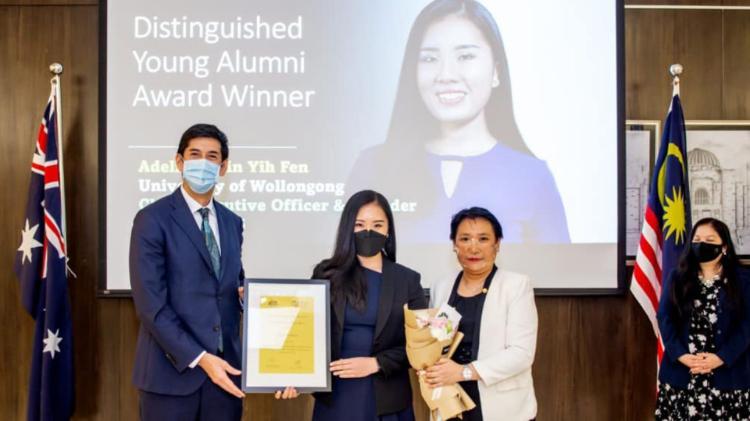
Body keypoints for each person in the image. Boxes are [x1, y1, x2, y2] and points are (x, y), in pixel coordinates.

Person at [346, 0, 569, 244]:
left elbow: (563, 273)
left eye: (465, 56)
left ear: (496, 72)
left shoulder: (532, 176)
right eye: (429, 59)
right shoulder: (373, 165)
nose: (446, 75)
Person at [129, 124, 246, 420]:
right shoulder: (152, 219)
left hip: (225, 376)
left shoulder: (233, 222)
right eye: (195, 155)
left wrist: (247, 297)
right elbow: (150, 305)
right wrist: (201, 358)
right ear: (179, 162)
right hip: (170, 378)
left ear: (223, 167)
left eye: (212, 157)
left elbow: (231, 282)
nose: (203, 163)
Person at [310, 190, 428, 421]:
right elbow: (307, 334)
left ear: (388, 230)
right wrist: (292, 375)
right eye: (360, 224)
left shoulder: (407, 280)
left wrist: (376, 363)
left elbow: (421, 346)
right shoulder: (326, 274)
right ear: (347, 228)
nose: (368, 231)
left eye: (377, 224)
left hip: (388, 398)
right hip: (338, 396)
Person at [428, 207, 538, 421]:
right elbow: (434, 344)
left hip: (502, 407)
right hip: (450, 402)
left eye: (483, 239)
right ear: (454, 245)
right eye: (465, 239)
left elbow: (522, 354)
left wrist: (464, 372)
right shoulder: (441, 286)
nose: (473, 248)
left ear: (497, 244)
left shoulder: (516, 285)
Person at [655, 217, 750, 420]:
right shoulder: (677, 278)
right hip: (682, 374)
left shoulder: (743, 280)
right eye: (697, 239)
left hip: (728, 377)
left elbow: (747, 325)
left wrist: (721, 358)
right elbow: (664, 318)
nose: (702, 244)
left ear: (723, 246)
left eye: (709, 239)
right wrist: (680, 355)